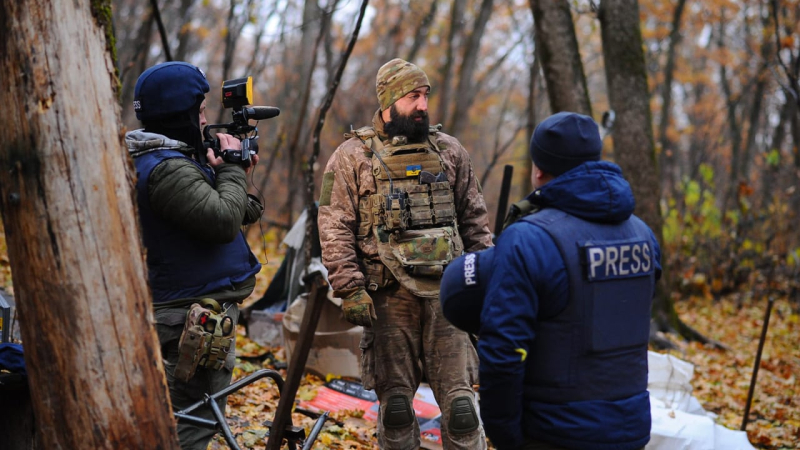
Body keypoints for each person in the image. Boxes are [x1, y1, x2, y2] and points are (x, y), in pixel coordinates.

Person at [440, 111, 662, 450]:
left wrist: (506, 438)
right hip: (631, 429)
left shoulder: (528, 240)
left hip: (555, 433)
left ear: (539, 169)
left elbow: (502, 354)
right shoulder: (643, 235)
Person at [317, 58, 492, 449]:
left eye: (425, 95)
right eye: (413, 96)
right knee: (395, 408)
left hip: (449, 295)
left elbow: (475, 222)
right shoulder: (351, 156)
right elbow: (333, 225)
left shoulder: (450, 151)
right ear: (389, 101)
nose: (423, 105)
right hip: (387, 296)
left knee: (463, 410)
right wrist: (349, 287)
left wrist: (484, 282)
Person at [126, 61, 262, 450]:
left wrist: (231, 168)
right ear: (179, 113)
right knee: (193, 422)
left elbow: (241, 212)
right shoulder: (166, 169)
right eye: (200, 110)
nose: (205, 119)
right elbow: (222, 220)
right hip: (188, 318)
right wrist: (231, 172)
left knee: (192, 415)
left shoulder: (173, 160)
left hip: (193, 311)